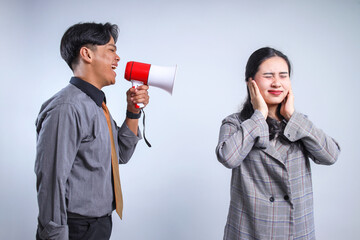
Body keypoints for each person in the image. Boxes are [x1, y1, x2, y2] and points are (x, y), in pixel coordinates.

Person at [35, 22, 149, 240]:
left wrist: (133, 111)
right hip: (75, 228)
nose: (118, 58)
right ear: (87, 54)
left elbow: (121, 155)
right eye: (111, 50)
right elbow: (51, 181)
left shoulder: (96, 105)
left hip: (99, 224)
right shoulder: (67, 108)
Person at [215, 47, 340, 240]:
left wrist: (292, 116)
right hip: (250, 231)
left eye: (283, 76)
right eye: (268, 76)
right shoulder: (236, 123)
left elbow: (331, 155)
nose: (277, 83)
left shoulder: (299, 124)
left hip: (296, 232)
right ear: (251, 82)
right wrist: (259, 116)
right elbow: (228, 157)